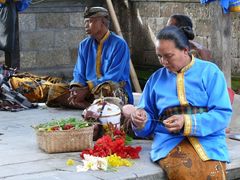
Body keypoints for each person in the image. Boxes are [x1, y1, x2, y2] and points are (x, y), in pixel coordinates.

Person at [130, 26, 232, 179]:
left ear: (185, 50)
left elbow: (222, 114)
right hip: (170, 143)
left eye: (168, 56)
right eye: (159, 56)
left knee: (213, 173)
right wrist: (140, 120)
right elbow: (148, 119)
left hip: (209, 142)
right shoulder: (155, 79)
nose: (163, 62)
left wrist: (186, 122)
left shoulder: (210, 72)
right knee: (183, 172)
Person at [47, 7, 133, 109]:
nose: (86, 25)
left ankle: (87, 105)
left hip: (111, 89)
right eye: (85, 21)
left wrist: (87, 89)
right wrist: (76, 89)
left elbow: (114, 76)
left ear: (102, 22)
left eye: (90, 21)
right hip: (87, 90)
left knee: (106, 89)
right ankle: (91, 106)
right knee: (55, 90)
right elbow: (79, 72)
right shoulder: (84, 45)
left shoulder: (119, 44)